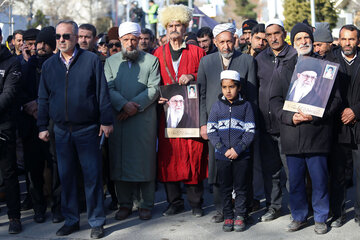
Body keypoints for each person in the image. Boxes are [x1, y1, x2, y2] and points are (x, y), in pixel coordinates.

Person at [37, 20, 113, 239]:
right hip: (61, 130)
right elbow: (43, 97)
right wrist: (42, 125)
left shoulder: (91, 61)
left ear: (76, 37)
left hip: (88, 129)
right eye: (58, 37)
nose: (61, 40)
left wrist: (106, 121)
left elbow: (102, 93)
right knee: (66, 177)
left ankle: (97, 221)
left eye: (66, 36)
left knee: (92, 177)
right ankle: (71, 220)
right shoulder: (50, 65)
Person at [269, 22, 341, 234]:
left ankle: (320, 217)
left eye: (306, 38)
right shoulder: (284, 68)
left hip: (317, 134)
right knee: (296, 180)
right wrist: (290, 118)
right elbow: (274, 100)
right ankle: (298, 216)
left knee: (319, 180)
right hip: (292, 135)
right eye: (298, 38)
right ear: (293, 41)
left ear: (312, 40)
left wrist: (319, 115)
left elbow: (336, 100)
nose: (303, 42)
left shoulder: (326, 67)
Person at [197, 22, 257, 223]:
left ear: (236, 40)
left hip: (241, 123)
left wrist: (250, 125)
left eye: (229, 41)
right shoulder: (206, 62)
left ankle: (243, 209)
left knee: (242, 167)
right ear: (215, 42)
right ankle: (222, 209)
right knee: (217, 166)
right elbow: (202, 95)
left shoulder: (247, 61)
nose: (226, 46)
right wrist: (203, 123)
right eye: (221, 42)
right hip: (216, 125)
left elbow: (252, 95)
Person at [154, 4, 208, 217]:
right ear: (166, 28)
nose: (174, 29)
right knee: (169, 157)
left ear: (185, 28)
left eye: (178, 25)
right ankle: (174, 202)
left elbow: (206, 77)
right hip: (168, 115)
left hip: (192, 115)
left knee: (193, 155)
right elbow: (153, 82)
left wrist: (193, 76)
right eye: (171, 25)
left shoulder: (198, 52)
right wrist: (157, 97)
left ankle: (196, 203)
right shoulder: (158, 53)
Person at [104, 21, 160, 221]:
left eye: (133, 39)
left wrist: (132, 107)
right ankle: (125, 204)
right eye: (126, 39)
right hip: (119, 119)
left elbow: (154, 89)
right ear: (120, 40)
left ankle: (146, 204)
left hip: (142, 119)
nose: (130, 43)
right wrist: (122, 105)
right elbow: (108, 88)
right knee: (120, 162)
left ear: (139, 40)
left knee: (144, 162)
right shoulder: (110, 62)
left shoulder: (151, 61)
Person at [255, 18, 296, 222]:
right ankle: (274, 206)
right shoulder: (260, 58)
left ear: (284, 33)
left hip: (289, 125)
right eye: (269, 35)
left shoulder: (296, 56)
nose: (273, 38)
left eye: (276, 33)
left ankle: (297, 209)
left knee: (292, 172)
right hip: (265, 125)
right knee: (270, 171)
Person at [18, 26, 58, 224]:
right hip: (30, 125)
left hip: (51, 124)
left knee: (55, 167)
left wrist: (41, 106)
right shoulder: (26, 66)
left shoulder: (57, 65)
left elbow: (58, 92)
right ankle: (38, 207)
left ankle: (58, 207)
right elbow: (18, 91)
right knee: (33, 170)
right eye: (38, 43)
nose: (40, 47)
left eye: (44, 43)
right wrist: (31, 107)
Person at [207, 70, 255, 232]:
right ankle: (228, 215)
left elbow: (250, 131)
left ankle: (241, 215)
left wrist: (238, 149)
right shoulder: (217, 106)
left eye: (232, 87)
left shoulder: (246, 106)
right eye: (225, 87)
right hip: (222, 156)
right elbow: (211, 130)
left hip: (241, 156)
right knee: (225, 187)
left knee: (241, 187)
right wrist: (222, 149)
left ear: (239, 87)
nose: (228, 90)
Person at [328, 24, 360, 228]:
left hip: (358, 123)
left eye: (351, 39)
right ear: (338, 40)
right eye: (344, 39)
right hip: (337, 125)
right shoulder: (329, 62)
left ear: (358, 41)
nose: (347, 43)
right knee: (337, 172)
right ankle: (337, 213)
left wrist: (356, 111)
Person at [0, 26, 23, 234]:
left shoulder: (11, 62)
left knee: (8, 173)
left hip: (4, 126)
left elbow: (8, 94)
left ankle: (14, 217)